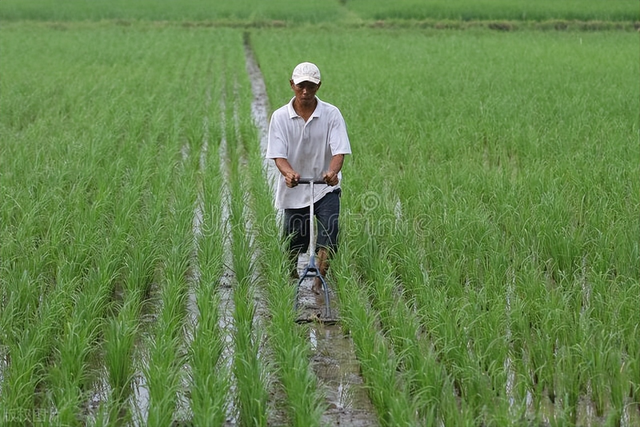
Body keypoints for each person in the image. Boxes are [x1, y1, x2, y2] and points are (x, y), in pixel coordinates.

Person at [266, 62, 351, 295]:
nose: (305, 91)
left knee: (329, 232)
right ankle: (291, 276)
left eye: (311, 86)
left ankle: (318, 283)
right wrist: (288, 173)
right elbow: (277, 154)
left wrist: (332, 172)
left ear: (318, 86)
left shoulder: (331, 114)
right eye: (301, 86)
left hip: (326, 188)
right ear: (292, 85)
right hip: (295, 187)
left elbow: (339, 150)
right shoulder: (281, 117)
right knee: (294, 240)